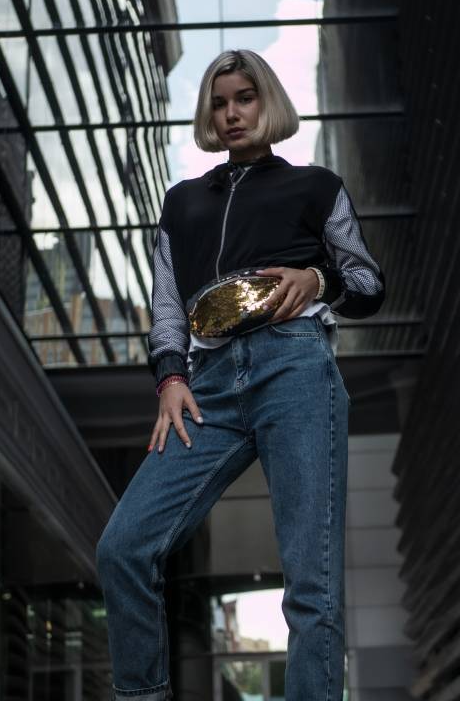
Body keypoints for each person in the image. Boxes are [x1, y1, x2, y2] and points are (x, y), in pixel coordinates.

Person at [96, 49, 385, 701]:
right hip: (208, 386)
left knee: (312, 585)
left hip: (296, 368)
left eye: (245, 98)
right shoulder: (182, 203)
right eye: (220, 102)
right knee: (123, 548)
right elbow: (167, 307)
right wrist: (170, 377)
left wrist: (319, 279)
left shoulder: (316, 187)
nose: (232, 113)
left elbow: (368, 283)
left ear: (267, 102)